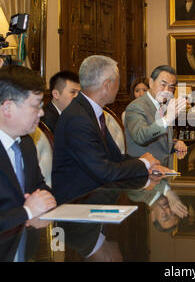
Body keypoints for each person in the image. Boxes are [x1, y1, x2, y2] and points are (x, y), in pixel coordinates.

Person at [52, 55, 170, 204]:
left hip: (98, 197)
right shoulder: (77, 118)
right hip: (78, 205)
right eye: (118, 82)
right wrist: (143, 163)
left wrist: (147, 164)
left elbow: (113, 157)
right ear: (107, 85)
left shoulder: (89, 111)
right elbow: (105, 172)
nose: (119, 87)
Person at [0, 65, 57, 237]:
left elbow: (38, 187)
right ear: (8, 107)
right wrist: (26, 213)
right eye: (36, 106)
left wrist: (45, 200)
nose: (41, 113)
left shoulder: (25, 142)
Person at [124, 65, 187, 165]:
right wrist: (167, 119)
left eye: (171, 87)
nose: (166, 91)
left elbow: (161, 142)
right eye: (163, 85)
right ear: (151, 83)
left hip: (163, 170)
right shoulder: (136, 106)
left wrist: (175, 144)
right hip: (143, 171)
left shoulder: (164, 105)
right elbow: (140, 136)